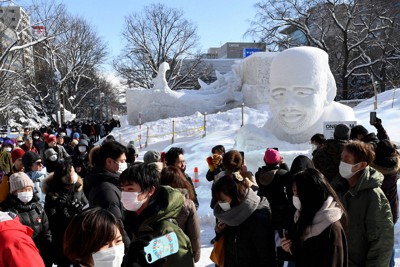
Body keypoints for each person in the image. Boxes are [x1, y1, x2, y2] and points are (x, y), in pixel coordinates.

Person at [120, 163, 194, 267]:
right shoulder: (133, 220)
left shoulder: (165, 231)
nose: (124, 194)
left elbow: (180, 262)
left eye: (130, 189)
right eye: (122, 189)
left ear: (150, 190)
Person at [333, 141, 393, 266]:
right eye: (341, 158)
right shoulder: (337, 189)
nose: (341, 163)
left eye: (347, 159)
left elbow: (381, 244)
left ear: (361, 165)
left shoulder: (373, 196)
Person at [281, 168, 348, 267]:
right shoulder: (304, 216)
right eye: (293, 192)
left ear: (309, 193)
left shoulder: (331, 226)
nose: (294, 197)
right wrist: (291, 248)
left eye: (296, 192)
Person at [212, 174, 276, 266]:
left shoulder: (258, 217)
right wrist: (219, 232)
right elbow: (228, 247)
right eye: (218, 200)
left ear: (235, 195)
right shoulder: (228, 213)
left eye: (222, 200)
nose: (220, 204)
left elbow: (267, 257)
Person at [42, 159, 88, 267]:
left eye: (72, 172)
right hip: (62, 240)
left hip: (80, 236)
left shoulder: (78, 187)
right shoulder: (52, 195)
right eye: (68, 175)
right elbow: (51, 221)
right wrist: (66, 213)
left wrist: (81, 210)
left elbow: (86, 204)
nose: (71, 176)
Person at [2, 172, 53, 266]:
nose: (27, 192)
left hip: (42, 253)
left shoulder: (38, 208)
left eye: (29, 189)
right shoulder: (9, 212)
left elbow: (46, 231)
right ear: (14, 192)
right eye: (22, 190)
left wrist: (48, 250)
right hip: (24, 255)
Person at [86, 141, 130, 247]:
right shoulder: (106, 191)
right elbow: (116, 227)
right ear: (109, 161)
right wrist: (130, 249)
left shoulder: (112, 182)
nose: (125, 164)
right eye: (122, 161)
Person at [255, 148, 291, 267]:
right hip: (280, 214)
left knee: (267, 243)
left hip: (264, 212)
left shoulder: (258, 175)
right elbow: (289, 177)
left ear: (265, 160)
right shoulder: (283, 174)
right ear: (278, 160)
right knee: (281, 245)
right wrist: (283, 164)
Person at [160, 166, 201, 263]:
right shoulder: (188, 204)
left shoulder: (156, 202)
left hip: (160, 251)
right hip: (182, 251)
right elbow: (194, 233)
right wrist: (196, 255)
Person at [370, 139, 399, 267]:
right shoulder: (396, 167)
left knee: (374, 242)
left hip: (375, 209)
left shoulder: (371, 169)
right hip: (392, 209)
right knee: (389, 241)